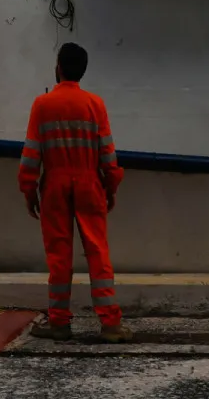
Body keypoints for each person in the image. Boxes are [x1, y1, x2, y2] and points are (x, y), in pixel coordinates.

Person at [19, 42, 130, 343]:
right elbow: (108, 154)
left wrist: (29, 191)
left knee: (59, 255)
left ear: (59, 67)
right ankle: (110, 324)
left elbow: (31, 156)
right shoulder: (95, 104)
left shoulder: (42, 105)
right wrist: (111, 186)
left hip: (54, 185)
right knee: (97, 251)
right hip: (89, 183)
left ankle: (59, 322)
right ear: (82, 70)